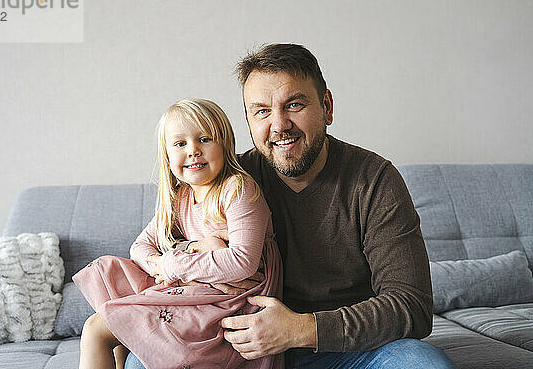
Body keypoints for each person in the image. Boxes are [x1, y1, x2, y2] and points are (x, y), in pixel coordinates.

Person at [126, 44, 455, 368]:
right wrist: (194, 253)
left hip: (353, 351)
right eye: (262, 111)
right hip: (238, 348)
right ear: (248, 120)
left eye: (294, 105)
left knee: (423, 364)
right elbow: (151, 247)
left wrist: (300, 330)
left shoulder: (374, 180)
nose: (279, 124)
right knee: (142, 363)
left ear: (326, 106)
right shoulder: (226, 182)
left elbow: (412, 307)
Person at [74, 98, 283, 369]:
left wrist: (173, 264)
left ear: (225, 144)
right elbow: (140, 247)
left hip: (232, 301)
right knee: (110, 274)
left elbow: (242, 262)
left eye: (204, 139)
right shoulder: (180, 196)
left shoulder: (237, 188)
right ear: (167, 156)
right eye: (180, 144)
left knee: (95, 329)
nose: (193, 151)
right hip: (199, 288)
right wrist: (177, 256)